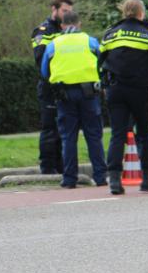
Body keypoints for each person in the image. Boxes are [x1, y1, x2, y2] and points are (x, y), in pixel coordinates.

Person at [100, 0, 148, 195]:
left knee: (117, 134)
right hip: (140, 90)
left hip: (116, 90)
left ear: (124, 12)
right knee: (146, 135)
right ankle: (147, 179)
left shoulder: (110, 34)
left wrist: (105, 85)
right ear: (141, 13)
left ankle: (114, 180)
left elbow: (100, 61)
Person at [40, 11, 107, 188]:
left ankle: (69, 179)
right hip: (89, 95)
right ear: (79, 24)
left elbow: (45, 72)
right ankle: (100, 177)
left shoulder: (53, 44)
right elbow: (102, 64)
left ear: (62, 25)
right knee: (94, 136)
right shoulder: (90, 41)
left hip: (64, 95)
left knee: (68, 138)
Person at [31, 0, 74, 174]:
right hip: (50, 87)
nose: (67, 15)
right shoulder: (43, 31)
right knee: (49, 129)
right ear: (54, 9)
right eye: (64, 11)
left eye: (69, 12)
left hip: (67, 86)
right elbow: (41, 60)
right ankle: (47, 168)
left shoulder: (68, 30)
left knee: (65, 129)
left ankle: (62, 166)